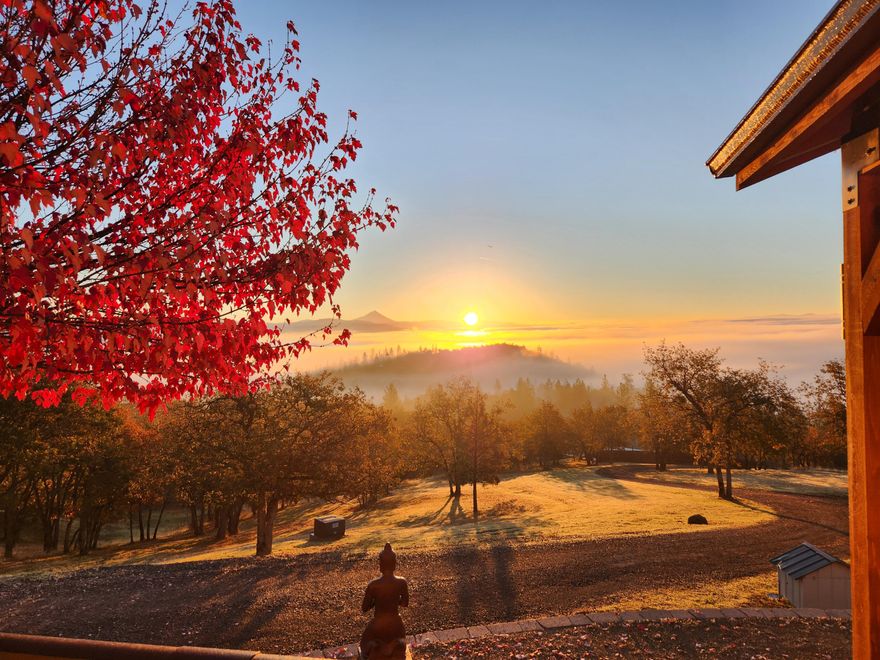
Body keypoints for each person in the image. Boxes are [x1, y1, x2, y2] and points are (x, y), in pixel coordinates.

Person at [359, 543, 409, 659]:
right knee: (401, 642)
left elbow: (365, 608)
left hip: (379, 623)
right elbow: (405, 603)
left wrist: (376, 602)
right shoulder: (402, 582)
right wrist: (395, 600)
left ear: (380, 564)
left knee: (365, 648)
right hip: (396, 622)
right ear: (394, 565)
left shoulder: (373, 585)